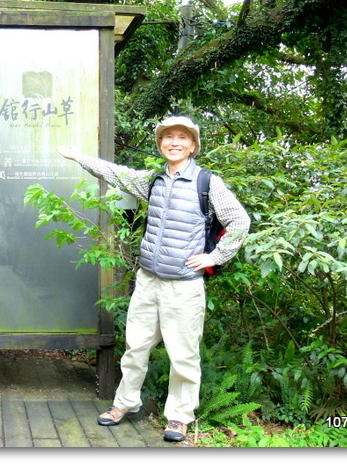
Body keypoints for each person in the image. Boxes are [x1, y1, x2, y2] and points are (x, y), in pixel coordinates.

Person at [56, 115, 250, 442]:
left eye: (182, 138)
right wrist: (80, 158)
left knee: (183, 354)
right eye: (168, 137)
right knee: (135, 347)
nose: (174, 142)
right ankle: (125, 403)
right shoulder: (153, 180)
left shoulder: (207, 182)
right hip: (148, 280)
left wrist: (214, 257)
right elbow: (117, 174)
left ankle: (179, 417)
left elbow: (239, 221)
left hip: (184, 285)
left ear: (192, 145)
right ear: (161, 143)